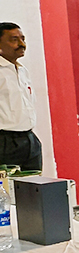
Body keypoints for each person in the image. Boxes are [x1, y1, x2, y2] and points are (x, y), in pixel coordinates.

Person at [0, 22, 41, 170]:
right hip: (4, 142)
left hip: (29, 140)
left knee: (33, 189)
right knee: (6, 191)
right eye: (14, 40)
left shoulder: (23, 71)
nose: (21, 44)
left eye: (23, 39)